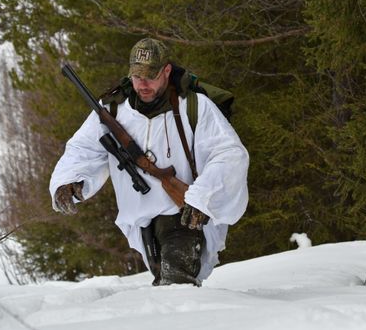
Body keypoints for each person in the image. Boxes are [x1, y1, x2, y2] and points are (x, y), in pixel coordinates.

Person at [49, 38, 249, 286]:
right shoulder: (112, 109)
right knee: (165, 284)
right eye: (136, 76)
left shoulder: (195, 107)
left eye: (150, 76)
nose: (142, 84)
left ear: (166, 71)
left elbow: (229, 154)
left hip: (184, 217)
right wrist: (68, 182)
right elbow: (83, 149)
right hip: (140, 219)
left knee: (176, 284)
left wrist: (202, 198)